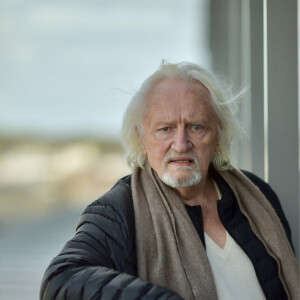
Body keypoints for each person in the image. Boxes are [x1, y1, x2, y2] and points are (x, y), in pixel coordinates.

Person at [40, 62, 299, 300]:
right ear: (141, 138)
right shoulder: (118, 210)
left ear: (218, 135)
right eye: (166, 129)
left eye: (196, 127)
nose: (181, 144)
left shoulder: (257, 194)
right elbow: (60, 280)